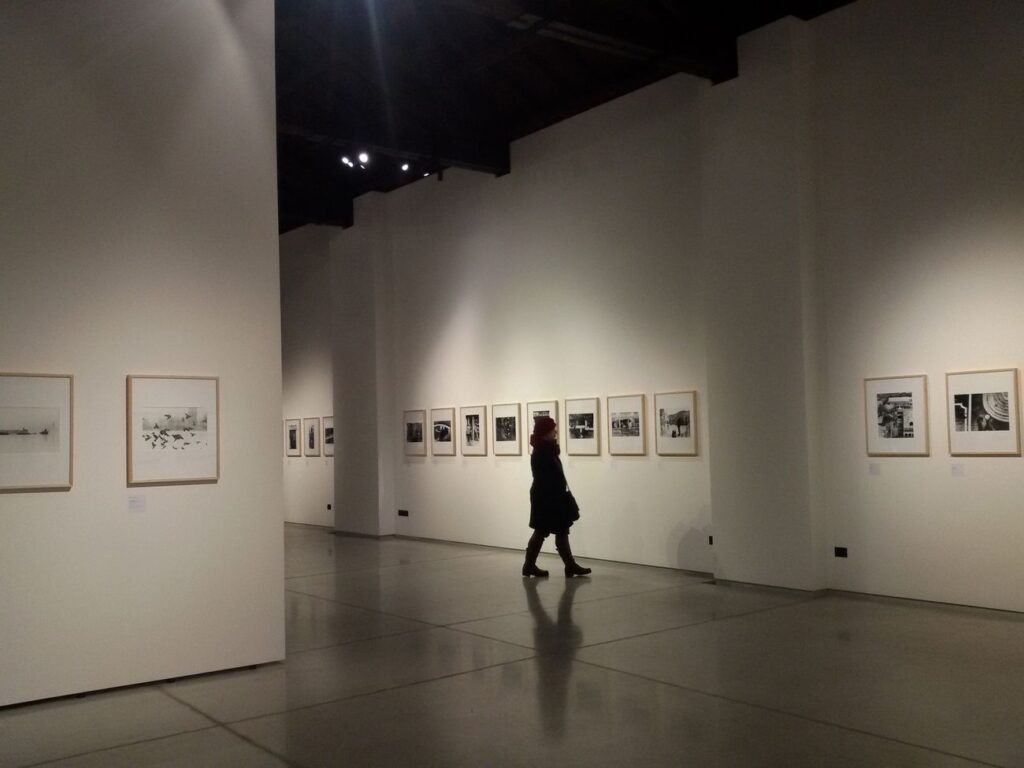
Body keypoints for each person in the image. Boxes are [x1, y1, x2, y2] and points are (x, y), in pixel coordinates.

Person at [522, 415, 592, 578]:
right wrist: (555, 497)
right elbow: (544, 478)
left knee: (560, 531)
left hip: (554, 496)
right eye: (553, 429)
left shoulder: (547, 450)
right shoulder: (541, 452)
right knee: (542, 531)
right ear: (545, 432)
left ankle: (568, 565)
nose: (555, 432)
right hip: (546, 498)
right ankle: (531, 565)